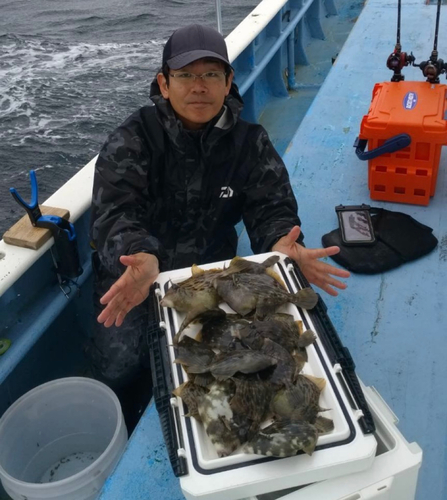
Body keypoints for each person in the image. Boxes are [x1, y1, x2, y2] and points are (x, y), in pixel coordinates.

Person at [88, 24, 350, 433]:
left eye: (211, 74)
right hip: (137, 274)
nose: (199, 86)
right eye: (186, 75)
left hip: (211, 276)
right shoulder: (133, 138)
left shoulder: (250, 143)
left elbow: (272, 206)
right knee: (118, 364)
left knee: (240, 357)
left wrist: (282, 241)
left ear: (228, 82)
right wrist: (138, 252)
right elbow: (114, 213)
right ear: (164, 83)